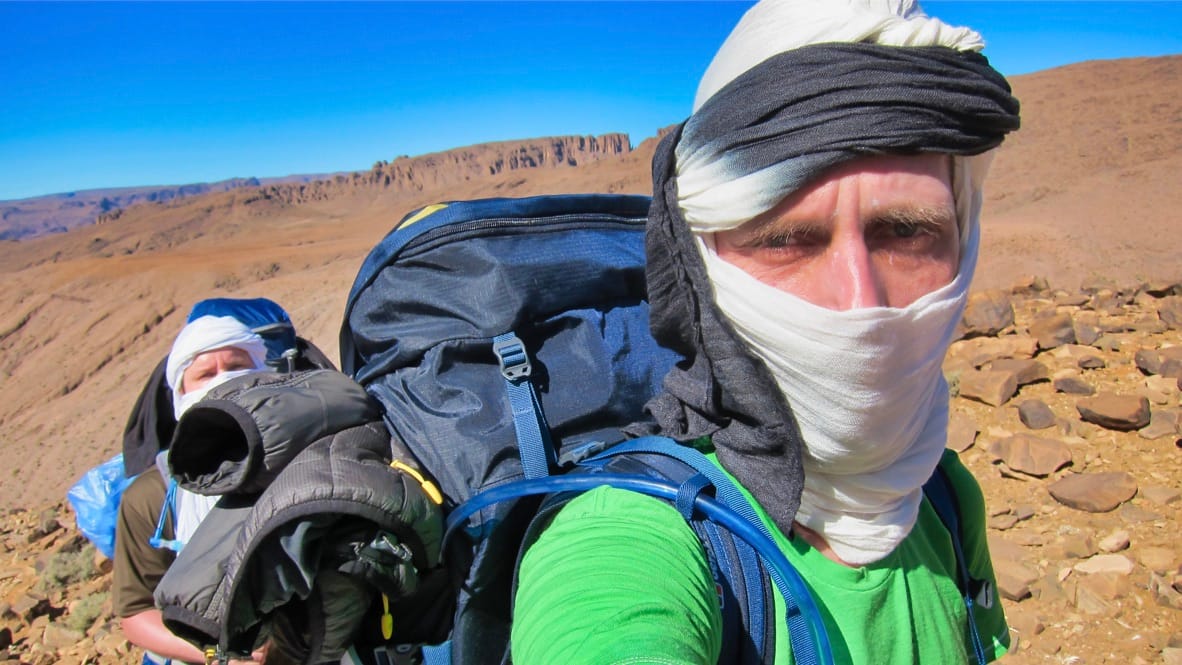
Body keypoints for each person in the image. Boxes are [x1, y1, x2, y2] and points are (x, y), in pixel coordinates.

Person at [510, 0, 1020, 663]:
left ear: (963, 241)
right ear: (701, 268)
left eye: (906, 231)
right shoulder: (628, 536)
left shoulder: (944, 496)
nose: (858, 301)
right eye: (785, 240)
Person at [113, 314, 270, 665]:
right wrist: (220, 654)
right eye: (205, 374)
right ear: (181, 395)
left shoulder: (310, 463)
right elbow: (136, 611)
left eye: (237, 366)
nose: (224, 379)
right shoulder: (154, 497)